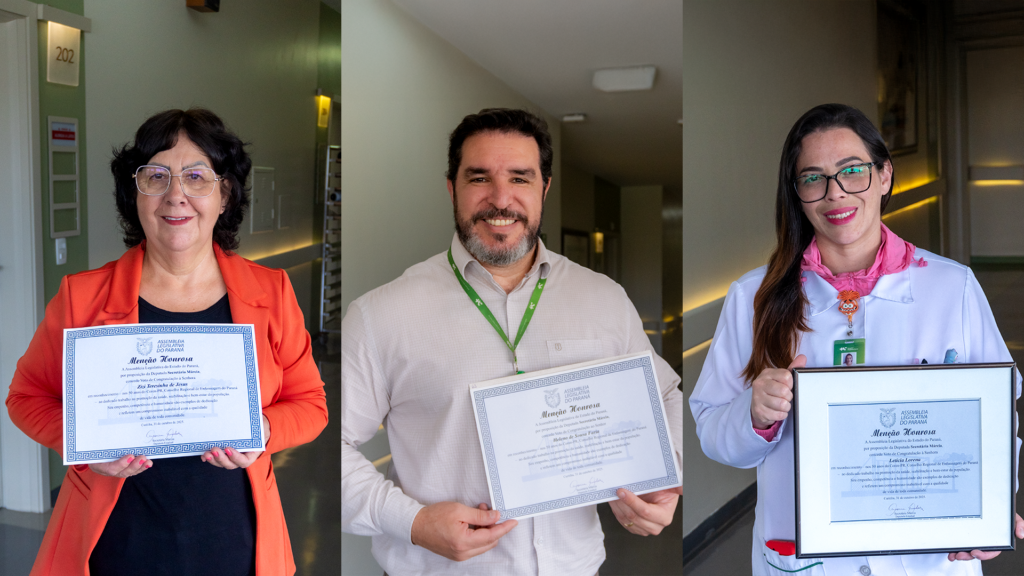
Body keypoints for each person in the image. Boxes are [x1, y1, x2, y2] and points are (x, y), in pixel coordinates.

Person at [341, 108, 683, 575]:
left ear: (544, 188)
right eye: (479, 178)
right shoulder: (381, 315)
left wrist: (663, 481)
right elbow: (330, 444)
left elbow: (665, 395)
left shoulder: (603, 299)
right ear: (452, 188)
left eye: (520, 178)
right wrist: (413, 521)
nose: (500, 200)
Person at [689, 103, 1023, 575]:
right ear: (797, 193)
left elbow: (996, 412)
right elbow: (712, 431)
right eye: (813, 178)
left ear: (884, 176)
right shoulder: (753, 297)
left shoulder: (953, 286)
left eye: (852, 171)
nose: (835, 193)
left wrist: (989, 507)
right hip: (809, 559)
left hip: (927, 556)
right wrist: (754, 414)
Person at [6, 108, 328, 576]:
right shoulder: (82, 297)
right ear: (134, 193)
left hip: (234, 542)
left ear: (225, 194)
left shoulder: (271, 292)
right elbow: (26, 397)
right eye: (156, 176)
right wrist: (84, 442)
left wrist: (262, 429)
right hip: (115, 545)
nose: (176, 195)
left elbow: (311, 404)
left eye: (196, 177)